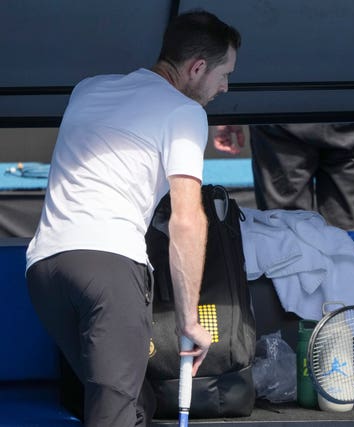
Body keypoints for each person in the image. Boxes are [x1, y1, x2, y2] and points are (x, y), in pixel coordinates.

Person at [25, 11, 240, 426]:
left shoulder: (87, 90)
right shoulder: (184, 113)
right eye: (223, 74)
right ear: (196, 68)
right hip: (108, 265)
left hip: (45, 269)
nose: (225, 87)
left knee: (135, 403)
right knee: (116, 412)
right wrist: (189, 320)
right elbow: (186, 219)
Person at [214, 122, 354, 230]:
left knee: (284, 231)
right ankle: (346, 303)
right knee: (347, 238)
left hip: (279, 107)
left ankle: (289, 304)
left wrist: (230, 109)